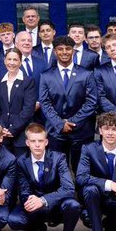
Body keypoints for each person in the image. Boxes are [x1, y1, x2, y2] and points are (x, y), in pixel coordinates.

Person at [9, 122, 80, 231]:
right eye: (33, 141)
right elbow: (24, 191)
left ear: (46, 142)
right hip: (35, 207)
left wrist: (43, 200)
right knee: (14, 220)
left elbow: (69, 188)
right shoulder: (21, 161)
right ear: (27, 143)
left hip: (55, 204)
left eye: (40, 141)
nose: (37, 145)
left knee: (74, 206)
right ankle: (37, 228)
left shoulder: (58, 158)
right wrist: (31, 202)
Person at [38, 35, 98, 174]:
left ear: (73, 51)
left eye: (68, 49)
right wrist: (60, 124)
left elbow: (91, 102)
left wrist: (72, 122)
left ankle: (82, 195)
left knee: (82, 171)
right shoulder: (46, 75)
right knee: (56, 170)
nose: (64, 52)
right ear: (55, 52)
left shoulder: (86, 74)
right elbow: (45, 102)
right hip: (55, 131)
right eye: (60, 49)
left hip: (81, 131)